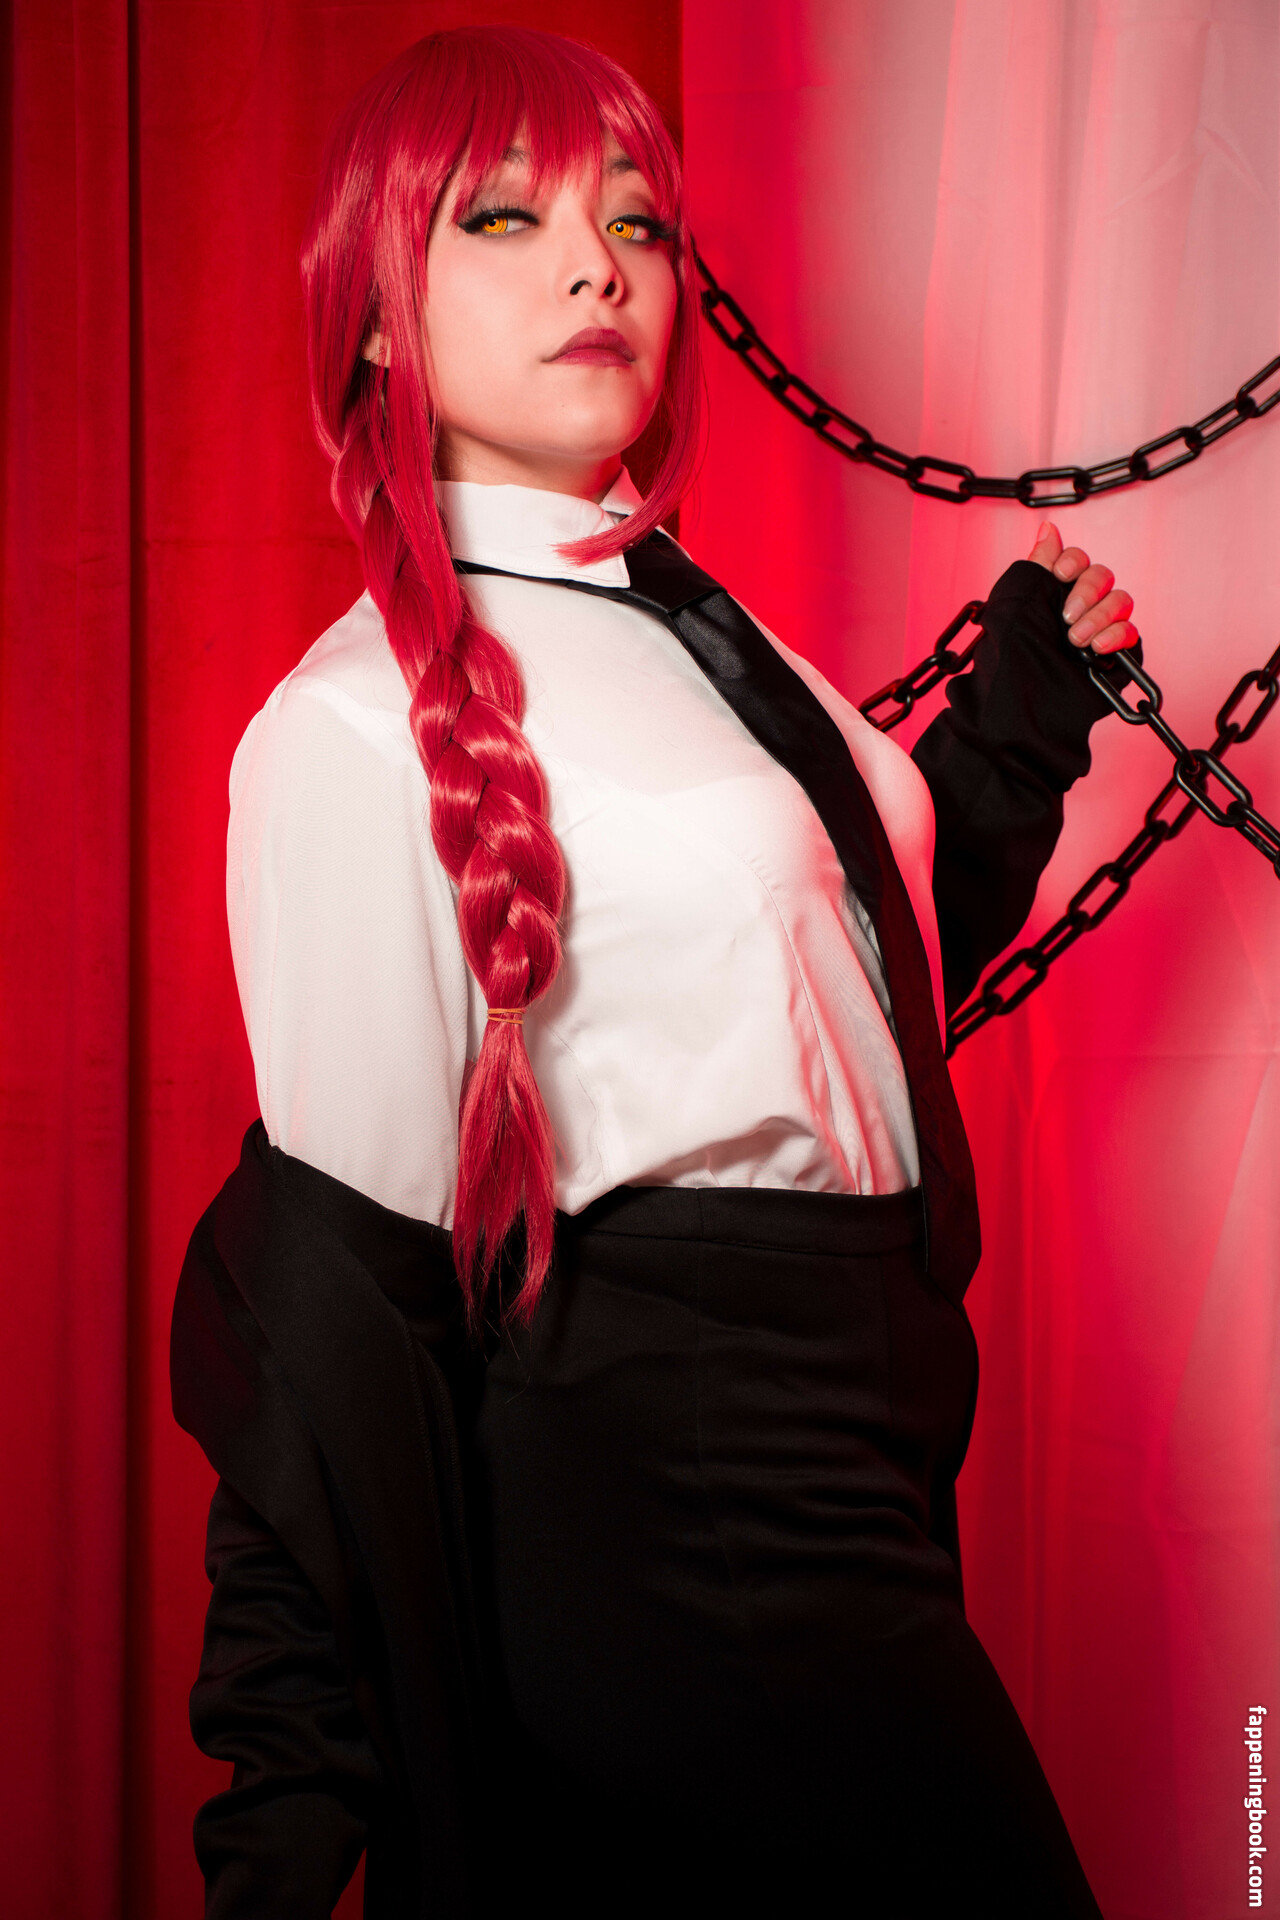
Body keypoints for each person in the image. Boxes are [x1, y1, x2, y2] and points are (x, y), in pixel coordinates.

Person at [171, 25, 1140, 1919]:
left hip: (857, 1475)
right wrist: (277, 1855)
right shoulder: (349, 731)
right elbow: (325, 1333)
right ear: (374, 317)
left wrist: (1020, 718)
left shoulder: (692, 629)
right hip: (687, 1514)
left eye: (634, 223)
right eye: (506, 219)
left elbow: (848, 1005)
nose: (596, 268)